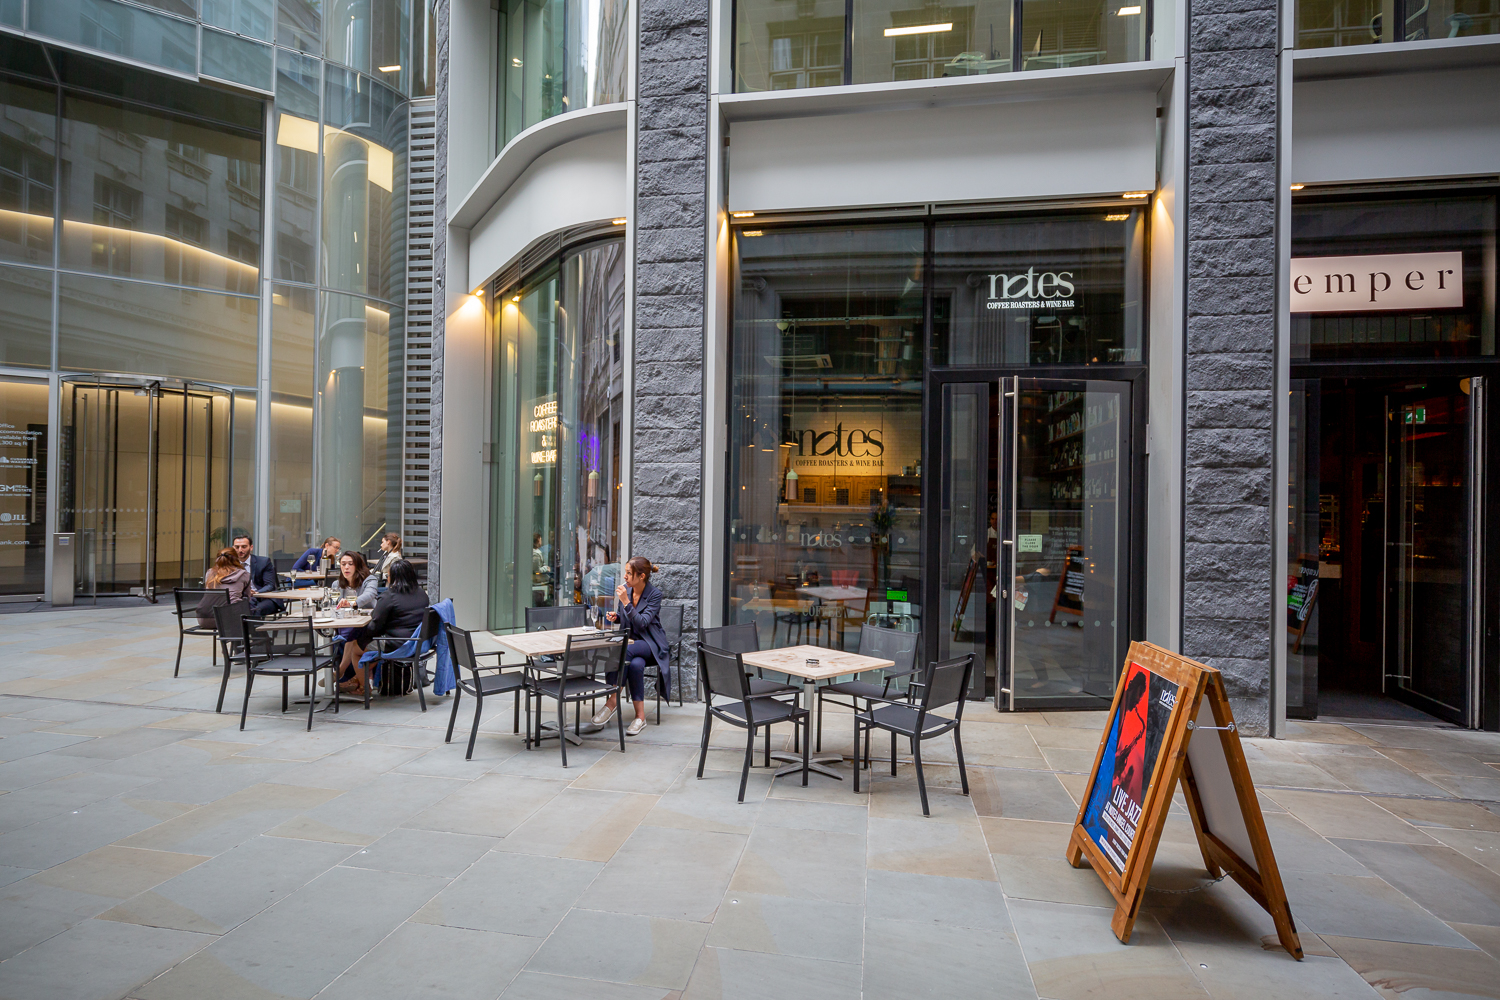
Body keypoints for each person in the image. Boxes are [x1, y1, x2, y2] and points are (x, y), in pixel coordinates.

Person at [586, 556, 669, 737]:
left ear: (641, 576)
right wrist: (616, 617)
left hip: (651, 644)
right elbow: (627, 619)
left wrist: (625, 602)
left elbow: (643, 623)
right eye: (625, 572)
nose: (625, 576)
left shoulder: (654, 594)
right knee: (635, 664)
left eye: (629, 573)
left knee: (624, 650)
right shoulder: (628, 592)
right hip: (632, 645)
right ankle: (640, 717)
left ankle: (612, 701)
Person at [333, 558, 428, 696]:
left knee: (355, 649)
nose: (387, 578)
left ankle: (364, 689)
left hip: (398, 643)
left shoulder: (389, 596)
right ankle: (356, 679)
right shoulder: (421, 594)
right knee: (358, 644)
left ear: (393, 577)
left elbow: (374, 626)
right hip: (417, 641)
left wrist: (364, 633)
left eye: (388, 575)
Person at [232, 534, 283, 616]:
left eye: (244, 547)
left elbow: (269, 585)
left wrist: (255, 593)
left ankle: (253, 629)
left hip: (263, 597)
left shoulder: (263, 562)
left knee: (254, 609)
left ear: (251, 547)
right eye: (237, 547)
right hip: (240, 598)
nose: (240, 550)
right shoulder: (230, 564)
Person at [198, 548, 250, 627]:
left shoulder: (210, 573)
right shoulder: (243, 574)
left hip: (204, 619)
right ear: (236, 559)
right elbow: (247, 597)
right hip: (229, 620)